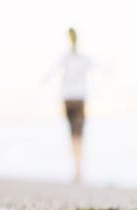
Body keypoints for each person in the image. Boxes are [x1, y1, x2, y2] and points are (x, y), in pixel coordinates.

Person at [48, 27, 92, 183]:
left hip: (68, 99)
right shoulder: (82, 58)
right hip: (79, 99)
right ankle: (78, 170)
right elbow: (102, 68)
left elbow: (51, 73)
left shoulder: (66, 58)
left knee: (73, 135)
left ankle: (77, 170)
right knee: (79, 135)